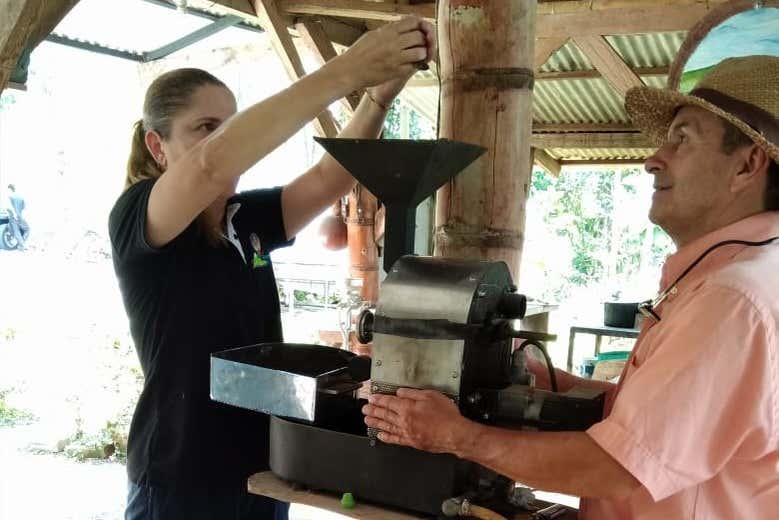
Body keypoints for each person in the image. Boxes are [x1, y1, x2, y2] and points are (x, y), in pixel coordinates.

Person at [363, 55, 779, 519]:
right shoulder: (747, 274)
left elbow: (617, 468)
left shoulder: (732, 299)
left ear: (747, 165)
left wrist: (456, 436)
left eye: (682, 139)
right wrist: (551, 381)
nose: (653, 160)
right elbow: (666, 427)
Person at [109, 16, 435, 520]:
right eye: (206, 129)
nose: (227, 141)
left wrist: (378, 97)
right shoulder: (141, 216)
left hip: (263, 469)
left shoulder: (245, 217)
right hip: (181, 476)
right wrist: (347, 70)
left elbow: (329, 178)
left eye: (232, 125)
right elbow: (210, 165)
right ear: (157, 147)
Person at [5, 184, 28, 249]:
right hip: (20, 216)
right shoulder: (21, 197)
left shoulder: (9, 197)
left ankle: (21, 245)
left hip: (13, 216)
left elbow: (9, 207)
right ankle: (21, 243)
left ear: (10, 189)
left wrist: (14, 214)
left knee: (16, 231)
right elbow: (24, 208)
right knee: (27, 229)